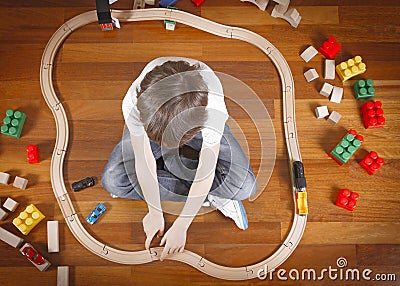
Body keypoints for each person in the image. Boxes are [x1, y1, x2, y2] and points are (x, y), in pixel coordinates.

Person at [102, 57, 257, 260]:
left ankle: (205, 193)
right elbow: (143, 158)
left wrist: (182, 224)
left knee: (245, 186)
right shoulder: (135, 103)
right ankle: (212, 195)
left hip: (199, 127)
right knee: (112, 180)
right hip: (154, 125)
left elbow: (206, 167)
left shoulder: (212, 110)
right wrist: (155, 211)